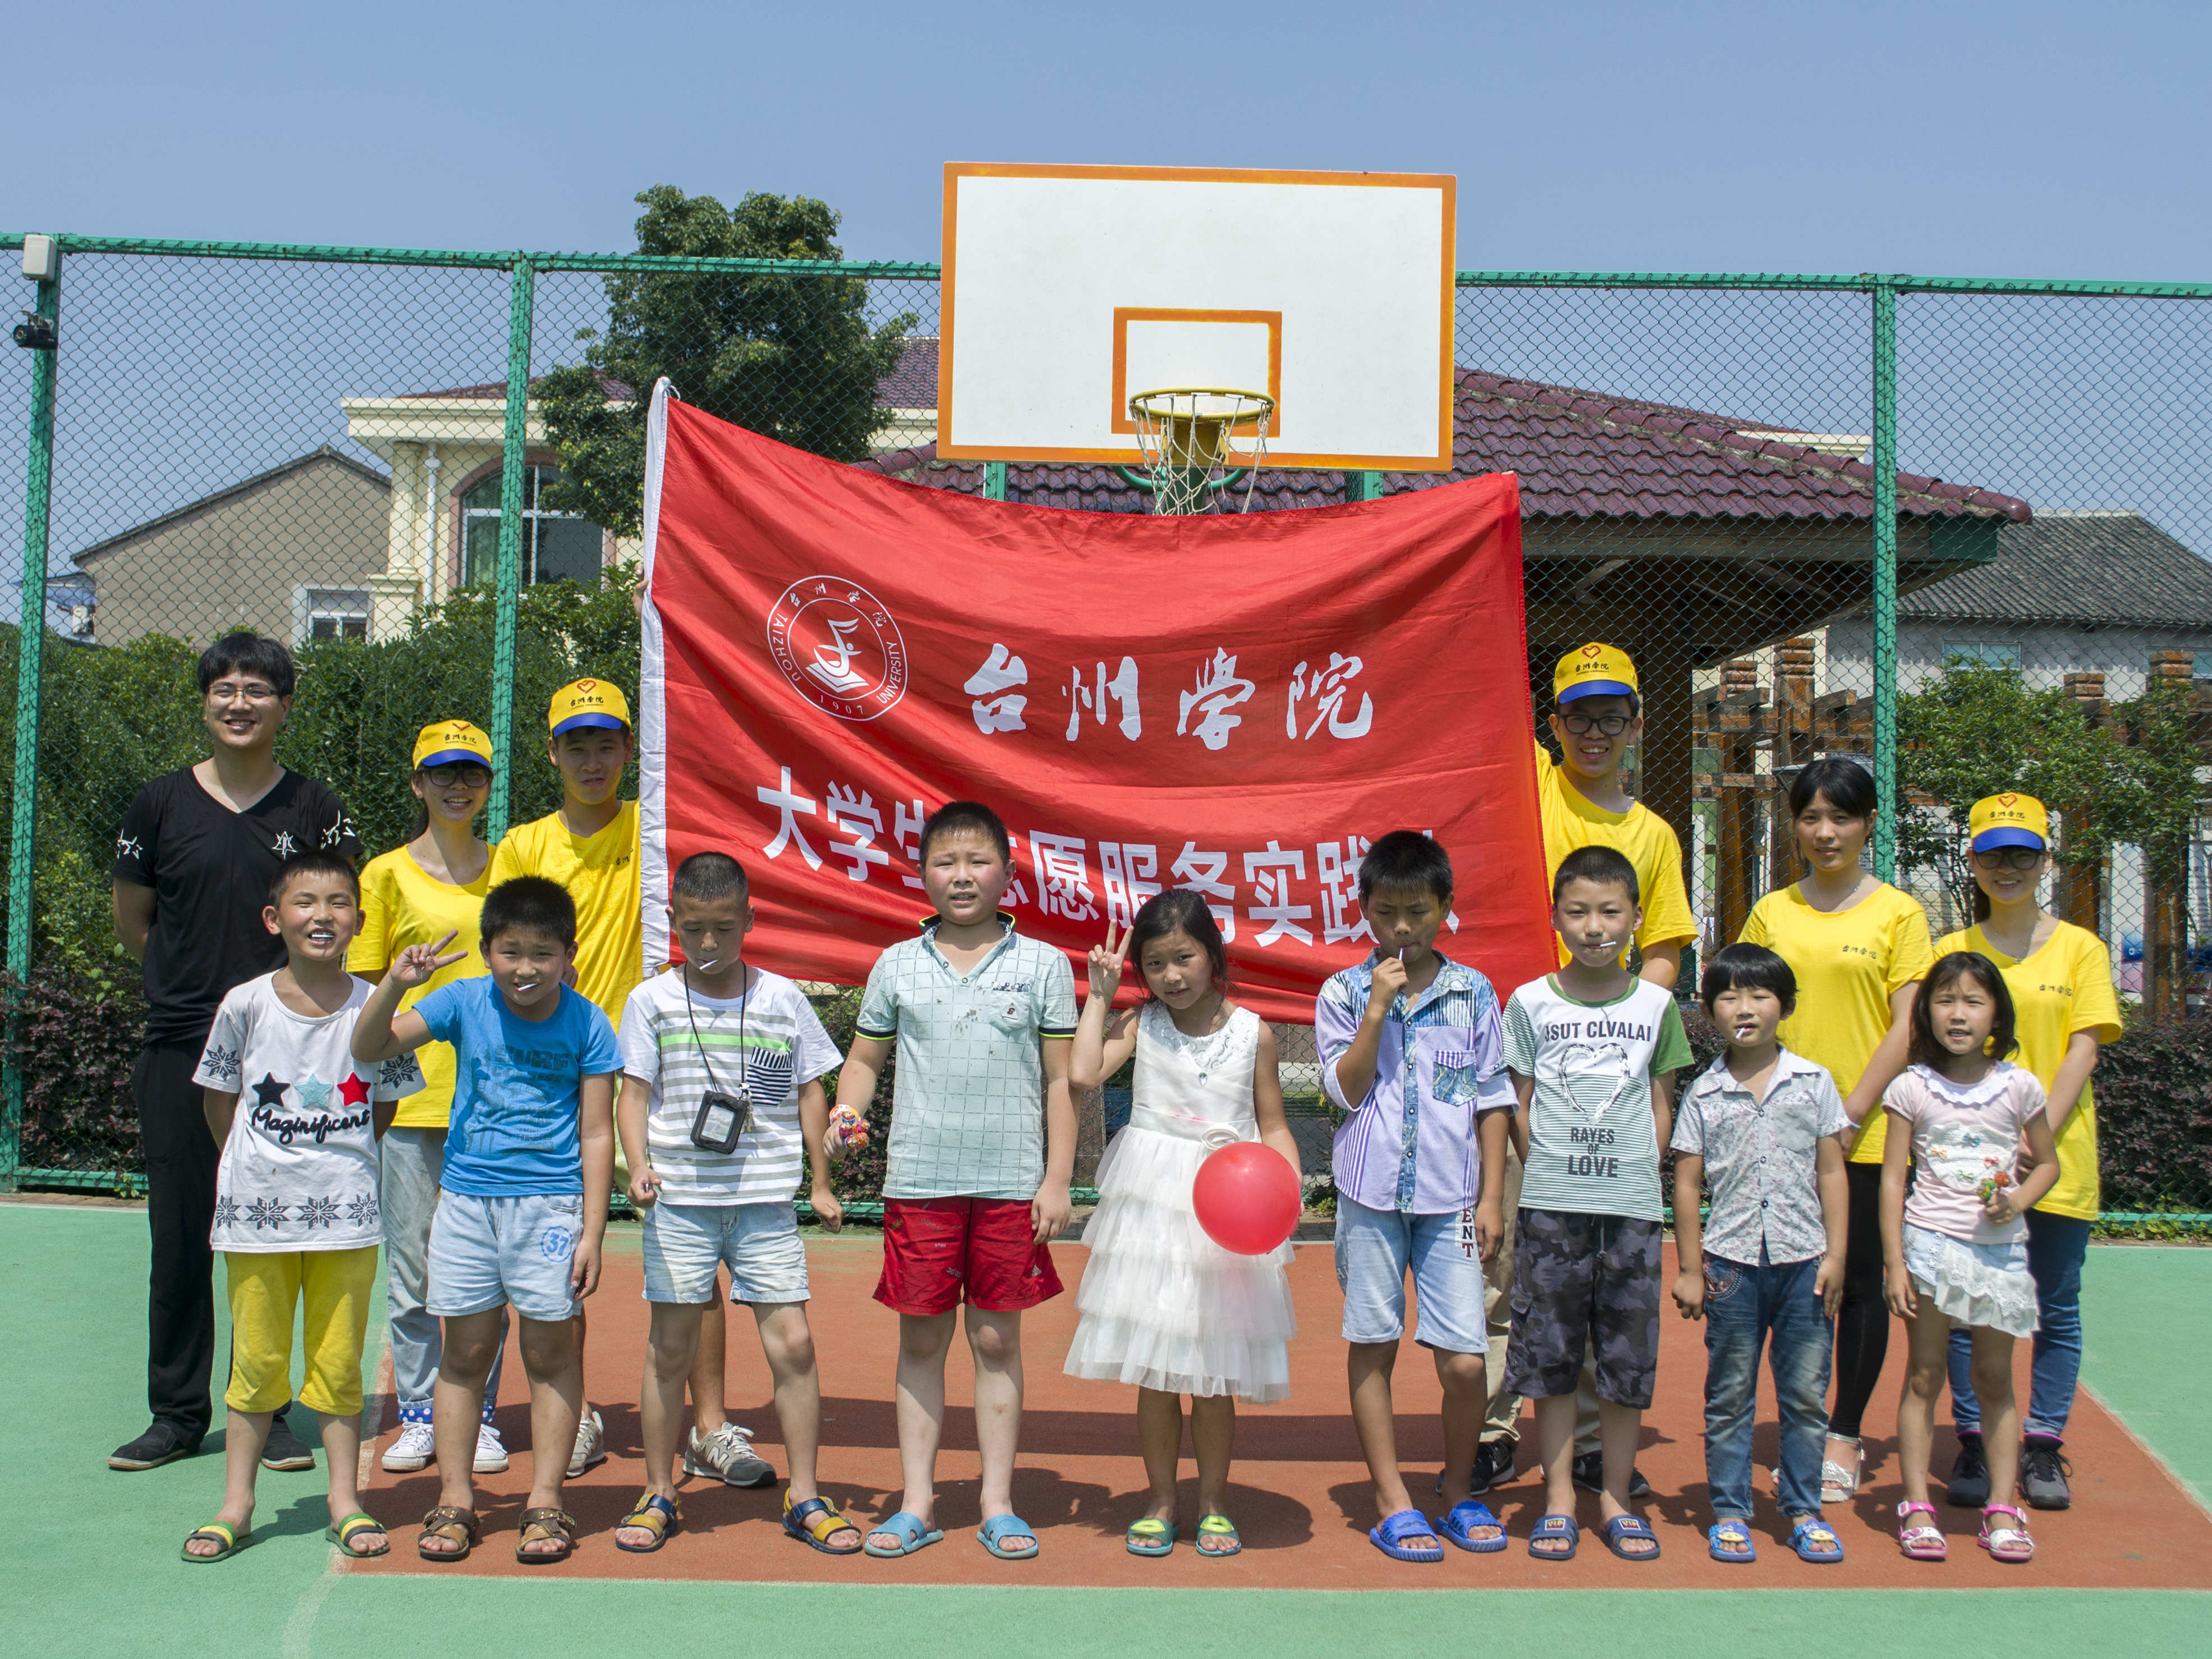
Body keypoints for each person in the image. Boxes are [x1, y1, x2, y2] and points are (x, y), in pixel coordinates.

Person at [110, 631, 362, 1473]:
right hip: (180, 1044)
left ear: (285, 706)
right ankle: (176, 1414)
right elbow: (134, 920)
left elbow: (334, 913)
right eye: (225, 689)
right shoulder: (158, 805)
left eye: (258, 690)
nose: (240, 703)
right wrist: (191, 990)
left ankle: (270, 1411)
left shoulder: (315, 806)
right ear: (205, 702)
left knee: (280, 1239)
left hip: (287, 1061)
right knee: (181, 1235)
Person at [829, 801, 1077, 1562]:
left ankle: (998, 1502)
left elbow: (1061, 1081)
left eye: (977, 861)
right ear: (923, 874)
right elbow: (864, 1060)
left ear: (1008, 872)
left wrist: (1057, 1179)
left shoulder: (1044, 964)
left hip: (1011, 1182)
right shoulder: (896, 964)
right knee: (922, 1339)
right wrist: (846, 1110)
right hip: (921, 1181)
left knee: (997, 1339)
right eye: (946, 862)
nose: (962, 876)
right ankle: (917, 1503)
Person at [352, 876, 619, 1564]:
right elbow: (369, 1046)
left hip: (550, 1209)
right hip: (467, 1204)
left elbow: (597, 1133)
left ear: (569, 955)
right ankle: (456, 1499)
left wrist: (592, 1231)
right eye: (510, 952)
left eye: (542, 953)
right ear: (486, 951)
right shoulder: (462, 1000)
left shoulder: (590, 1023)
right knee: (466, 1354)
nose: (525, 968)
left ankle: (546, 1502)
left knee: (550, 1355)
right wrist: (395, 982)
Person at [611, 851, 863, 1558]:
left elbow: (809, 1090)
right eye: (694, 928)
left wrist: (820, 1182)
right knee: (670, 1348)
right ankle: (659, 1490)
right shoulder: (650, 1001)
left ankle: (805, 1495)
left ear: (750, 919)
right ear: (673, 922)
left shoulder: (782, 999)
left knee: (795, 1344)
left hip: (764, 1204)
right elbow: (633, 1094)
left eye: (724, 928)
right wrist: (639, 1166)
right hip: (681, 1204)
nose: (709, 942)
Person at [180, 851, 421, 1561]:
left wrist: (336, 1164)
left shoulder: (378, 1006)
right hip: (256, 1218)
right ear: (273, 918)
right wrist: (257, 1166)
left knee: (339, 1364)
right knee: (256, 1361)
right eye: (306, 902)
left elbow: (384, 1106)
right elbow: (220, 1100)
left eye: (339, 903)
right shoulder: (244, 1003)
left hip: (347, 1220)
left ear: (359, 921)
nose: (323, 915)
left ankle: (345, 1501)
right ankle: (237, 1503)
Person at [1500, 642, 1697, 1497]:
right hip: (1526, 1077)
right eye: (1578, 715)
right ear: (1552, 724)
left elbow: (1664, 953)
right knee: (1511, 1266)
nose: (1593, 731)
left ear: (1636, 726)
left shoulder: (1652, 835)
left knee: (1601, 1277)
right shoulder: (1528, 786)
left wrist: (1610, 1028)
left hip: (1607, 1095)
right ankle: (1493, 1428)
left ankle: (1587, 1444)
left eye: (1611, 716)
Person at [1066, 892, 1301, 1560]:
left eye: (1184, 958)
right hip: (1153, 1210)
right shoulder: (1140, 1023)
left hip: (1232, 1210)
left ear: (1213, 956)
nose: (1172, 975)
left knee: (1216, 1374)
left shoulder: (1253, 1032)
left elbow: (1274, 1125)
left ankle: (1215, 1503)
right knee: (1159, 1372)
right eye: (1155, 963)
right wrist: (1100, 996)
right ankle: (1162, 1500)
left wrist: (1284, 1197)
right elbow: (1083, 1072)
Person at [1314, 831, 1513, 1563]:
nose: (1403, 928)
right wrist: (1376, 1009)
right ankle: (1391, 1500)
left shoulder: (1474, 992)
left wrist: (1490, 1198)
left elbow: (1492, 1098)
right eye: (1387, 912)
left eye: (1419, 912)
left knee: (1464, 1359)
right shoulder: (1342, 992)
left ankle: (1458, 1489)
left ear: (1446, 907)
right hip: (1368, 1198)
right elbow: (1345, 1091)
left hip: (1452, 1201)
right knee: (1373, 1342)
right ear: (1364, 909)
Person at [1740, 754, 1933, 1504]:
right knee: (1779, 1281)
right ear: (1793, 825)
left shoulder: (1898, 914)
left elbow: (1906, 1024)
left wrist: (1848, 1114)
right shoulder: (1772, 911)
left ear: (1868, 824)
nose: (1825, 832)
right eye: (1811, 817)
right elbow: (1747, 1008)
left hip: (1866, 1132)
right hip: (1778, 1130)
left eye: (1841, 818)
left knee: (1856, 1283)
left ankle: (1844, 1433)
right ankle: (1798, 1422)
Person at [1502, 845, 1692, 1564]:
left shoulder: (1657, 1006)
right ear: (1555, 917)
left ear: (1637, 919)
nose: (1594, 927)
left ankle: (1614, 1496)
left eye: (1610, 912)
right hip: (1551, 1207)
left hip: (1632, 1211)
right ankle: (1557, 1498)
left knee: (1624, 1361)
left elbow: (1662, 1102)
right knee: (1550, 1357)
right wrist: (1545, 1167)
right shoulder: (1530, 1002)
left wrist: (1640, 1171)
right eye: (1578, 911)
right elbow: (1517, 1103)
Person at [1934, 792, 2121, 1513]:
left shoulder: (2082, 949)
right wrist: (1979, 1142)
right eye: (1992, 853)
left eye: (2022, 853)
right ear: (1972, 860)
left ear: (2047, 860)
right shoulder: (1953, 951)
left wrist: (2026, 1139)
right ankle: (1976, 1441)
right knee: (1965, 1305)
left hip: (2056, 1161)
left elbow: (2083, 1048)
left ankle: (2042, 1444)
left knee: (2054, 1305)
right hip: (1966, 1166)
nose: (2006, 867)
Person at [485, 678, 646, 1481]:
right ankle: (575, 1414)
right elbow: (512, 959)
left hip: (648, 1069)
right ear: (551, 752)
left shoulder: (656, 827)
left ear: (629, 748)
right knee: (560, 1259)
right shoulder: (522, 846)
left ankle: (705, 1421)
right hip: (556, 1078)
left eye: (605, 743)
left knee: (688, 1251)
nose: (592, 760)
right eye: (575, 744)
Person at [348, 719, 508, 1478]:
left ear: (488, 785)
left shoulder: (511, 868)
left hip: (496, 1103)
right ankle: (418, 1413)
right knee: (413, 1271)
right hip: (411, 1107)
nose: (457, 786)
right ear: (417, 783)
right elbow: (363, 996)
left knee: (488, 1273)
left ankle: (479, 1415)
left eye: (471, 773)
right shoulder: (383, 874)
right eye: (442, 772)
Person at [1669, 943, 1850, 1565]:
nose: (1744, 1008)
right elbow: (1687, 1185)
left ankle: (1803, 1508)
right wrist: (1690, 1269)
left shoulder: (1815, 1083)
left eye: (1760, 995)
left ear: (1786, 1007)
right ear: (1708, 1010)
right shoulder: (1704, 1093)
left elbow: (1832, 1172)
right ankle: (1729, 1510)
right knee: (1730, 1395)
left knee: (1805, 1395)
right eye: (1728, 996)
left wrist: (1836, 1256)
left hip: (1806, 1264)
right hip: (1731, 1266)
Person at [1882, 951, 2060, 1566]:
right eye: (1945, 1001)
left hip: (1998, 1255)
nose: (1958, 1014)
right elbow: (1893, 1179)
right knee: (1925, 1374)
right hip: (1929, 1247)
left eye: (1973, 1002)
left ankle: (2002, 1509)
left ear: (1997, 1016)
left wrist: (2018, 1200)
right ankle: (1916, 1506)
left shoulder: (2020, 1086)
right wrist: (1896, 1262)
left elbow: (2048, 1163)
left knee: (1993, 1378)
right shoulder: (1911, 1087)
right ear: (1926, 1013)